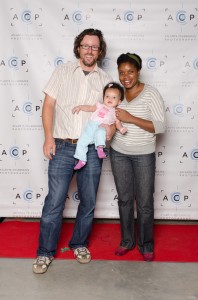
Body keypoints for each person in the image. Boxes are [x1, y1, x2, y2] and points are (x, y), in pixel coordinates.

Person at [32, 28, 112, 274]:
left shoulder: (104, 78)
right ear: (78, 47)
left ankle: (78, 244)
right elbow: (48, 105)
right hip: (63, 145)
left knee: (88, 202)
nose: (89, 50)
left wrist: (108, 131)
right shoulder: (63, 71)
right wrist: (48, 137)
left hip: (89, 149)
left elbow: (110, 112)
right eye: (85, 46)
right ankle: (45, 252)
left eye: (94, 47)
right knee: (54, 202)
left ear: (100, 51)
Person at [109, 53, 166, 262]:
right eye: (121, 72)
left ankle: (146, 244)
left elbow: (160, 127)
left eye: (130, 71)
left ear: (138, 72)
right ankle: (127, 240)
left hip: (143, 155)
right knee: (124, 200)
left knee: (144, 202)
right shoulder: (117, 94)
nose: (126, 76)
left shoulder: (151, 94)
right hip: (118, 153)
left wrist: (129, 118)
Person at [72, 82, 128, 170]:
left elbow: (117, 123)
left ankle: (100, 148)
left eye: (114, 97)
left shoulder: (115, 112)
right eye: (107, 96)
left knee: (101, 132)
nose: (110, 99)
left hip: (102, 126)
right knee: (81, 142)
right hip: (90, 127)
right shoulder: (99, 106)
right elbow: (90, 108)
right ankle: (82, 160)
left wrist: (121, 129)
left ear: (119, 101)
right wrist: (80, 107)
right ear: (103, 97)